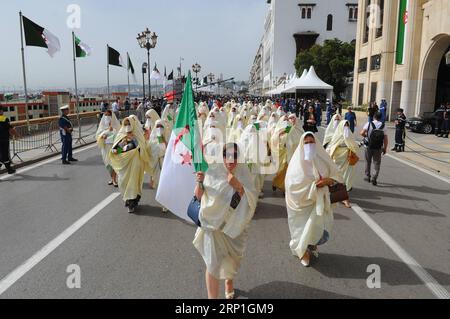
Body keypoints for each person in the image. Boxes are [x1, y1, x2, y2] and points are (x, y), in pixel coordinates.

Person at [193, 143, 258, 299]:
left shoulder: (244, 173)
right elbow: (199, 197)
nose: (231, 159)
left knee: (231, 259)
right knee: (212, 264)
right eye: (226, 155)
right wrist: (200, 181)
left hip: (234, 229)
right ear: (221, 157)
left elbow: (252, 200)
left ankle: (229, 281)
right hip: (212, 228)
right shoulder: (212, 172)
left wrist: (239, 186)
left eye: (234, 155)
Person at [285, 132, 343, 267]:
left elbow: (336, 175)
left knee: (317, 227)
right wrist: (313, 187)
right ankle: (302, 251)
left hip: (319, 201)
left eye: (312, 142)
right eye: (306, 143)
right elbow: (291, 185)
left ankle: (311, 244)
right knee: (301, 229)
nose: (309, 145)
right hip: (300, 203)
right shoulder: (296, 164)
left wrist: (328, 181)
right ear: (302, 145)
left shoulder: (323, 159)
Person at [109, 116, 152, 213]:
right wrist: (116, 150)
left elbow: (142, 149)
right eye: (126, 124)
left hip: (135, 164)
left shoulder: (138, 135)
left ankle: (131, 202)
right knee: (123, 183)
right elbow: (118, 149)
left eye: (129, 124)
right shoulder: (121, 134)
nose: (127, 126)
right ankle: (128, 200)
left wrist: (133, 140)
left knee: (133, 183)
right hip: (124, 165)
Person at [326, 120, 359, 208]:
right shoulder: (337, 136)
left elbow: (355, 146)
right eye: (344, 126)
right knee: (337, 179)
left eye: (347, 126)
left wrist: (352, 146)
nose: (346, 128)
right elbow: (330, 147)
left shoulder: (350, 136)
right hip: (337, 160)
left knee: (346, 179)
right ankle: (336, 196)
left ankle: (345, 199)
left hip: (347, 160)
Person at [360, 112, 388, 186]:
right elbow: (385, 139)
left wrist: (367, 136)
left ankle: (367, 176)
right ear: (380, 117)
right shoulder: (384, 126)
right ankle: (374, 178)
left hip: (368, 146)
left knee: (367, 161)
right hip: (378, 147)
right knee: (377, 163)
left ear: (374, 117)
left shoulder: (369, 124)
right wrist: (385, 148)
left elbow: (362, 133)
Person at [96, 110, 120, 186]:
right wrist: (103, 135)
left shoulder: (116, 126)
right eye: (105, 115)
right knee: (108, 164)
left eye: (108, 115)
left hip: (113, 147)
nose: (107, 117)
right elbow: (98, 135)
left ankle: (114, 179)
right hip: (105, 147)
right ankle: (112, 178)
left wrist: (112, 131)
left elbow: (119, 136)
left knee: (113, 163)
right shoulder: (101, 127)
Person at [0, 105, 18, 174]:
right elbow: (10, 128)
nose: (3, 111)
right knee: (4, 155)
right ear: (1, 111)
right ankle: (9, 169)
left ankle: (9, 169)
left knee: (2, 155)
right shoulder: (4, 118)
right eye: (2, 110)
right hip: (4, 140)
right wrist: (17, 135)